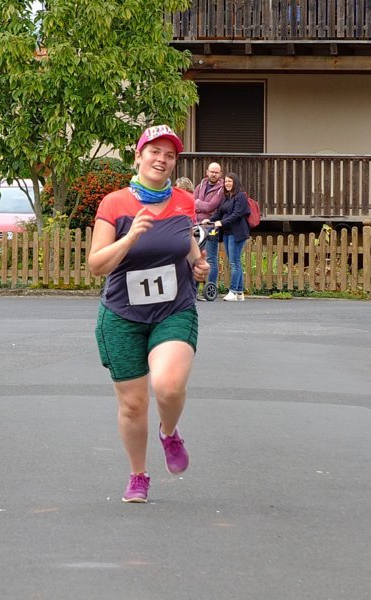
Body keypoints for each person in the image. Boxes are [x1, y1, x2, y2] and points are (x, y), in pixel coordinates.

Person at [88, 125, 210, 503]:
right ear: (138, 156)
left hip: (173, 308)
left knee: (168, 385)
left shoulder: (184, 201)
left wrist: (198, 263)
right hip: (122, 314)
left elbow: (185, 241)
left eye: (169, 155)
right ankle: (138, 475)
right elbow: (96, 265)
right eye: (154, 151)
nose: (161, 159)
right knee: (133, 403)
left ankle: (169, 432)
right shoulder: (115, 203)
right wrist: (131, 236)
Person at [203, 172, 250, 302]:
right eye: (226, 182)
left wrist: (222, 222)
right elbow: (219, 212)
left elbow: (237, 214)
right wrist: (210, 220)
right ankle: (240, 293)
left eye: (230, 181)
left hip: (238, 232)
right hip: (228, 232)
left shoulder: (240, 196)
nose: (227, 184)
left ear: (235, 183)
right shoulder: (226, 197)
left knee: (234, 262)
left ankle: (233, 291)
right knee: (234, 262)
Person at [193, 162, 224, 294]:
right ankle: (193, 289)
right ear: (207, 172)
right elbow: (191, 201)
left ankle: (210, 287)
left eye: (216, 172)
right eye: (211, 171)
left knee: (211, 257)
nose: (213, 174)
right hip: (197, 225)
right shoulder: (200, 185)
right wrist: (199, 204)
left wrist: (198, 203)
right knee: (195, 256)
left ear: (220, 174)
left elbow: (211, 206)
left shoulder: (221, 189)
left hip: (211, 226)